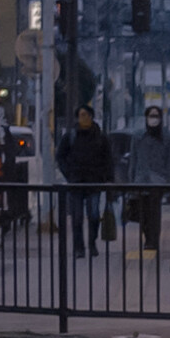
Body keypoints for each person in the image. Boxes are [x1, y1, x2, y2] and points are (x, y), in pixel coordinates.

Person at [57, 103, 113, 258]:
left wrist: (108, 179)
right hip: (76, 182)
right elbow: (60, 156)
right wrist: (68, 173)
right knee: (77, 217)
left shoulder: (100, 137)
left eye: (86, 115)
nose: (84, 118)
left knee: (94, 215)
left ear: (92, 117)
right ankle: (78, 247)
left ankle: (92, 243)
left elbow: (108, 160)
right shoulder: (71, 136)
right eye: (81, 115)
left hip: (94, 182)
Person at [128, 105, 170, 256]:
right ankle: (147, 237)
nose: (153, 119)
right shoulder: (137, 136)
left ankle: (153, 240)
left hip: (158, 180)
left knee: (154, 211)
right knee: (142, 212)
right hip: (141, 179)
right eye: (151, 116)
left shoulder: (167, 137)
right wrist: (131, 181)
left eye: (156, 116)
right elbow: (133, 160)